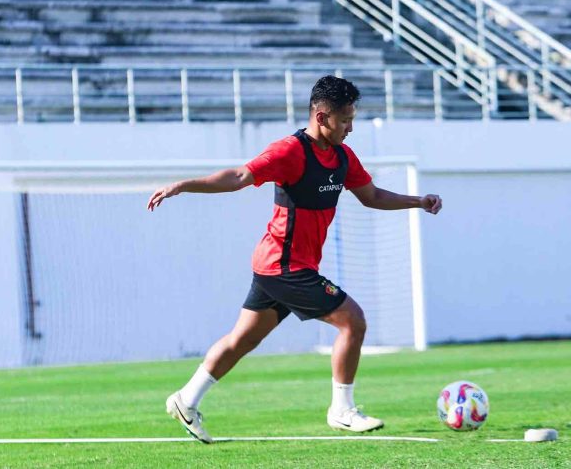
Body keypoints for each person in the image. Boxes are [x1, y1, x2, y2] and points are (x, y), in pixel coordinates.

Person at [147, 76, 443, 443]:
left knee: (241, 340)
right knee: (353, 321)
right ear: (322, 117)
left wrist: (417, 201)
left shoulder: (343, 157)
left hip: (279, 264)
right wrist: (184, 185)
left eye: (353, 119)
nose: (351, 127)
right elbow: (240, 176)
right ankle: (342, 410)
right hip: (284, 266)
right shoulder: (290, 151)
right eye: (345, 120)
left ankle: (185, 399)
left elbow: (372, 196)